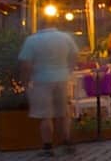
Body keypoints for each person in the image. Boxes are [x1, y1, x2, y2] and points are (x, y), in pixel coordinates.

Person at [20, 26, 79, 157]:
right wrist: (68, 70)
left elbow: (26, 64)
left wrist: (25, 82)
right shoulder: (65, 37)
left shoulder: (32, 40)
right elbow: (75, 55)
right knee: (63, 112)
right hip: (62, 77)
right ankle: (67, 142)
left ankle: (48, 146)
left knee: (45, 115)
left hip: (41, 79)